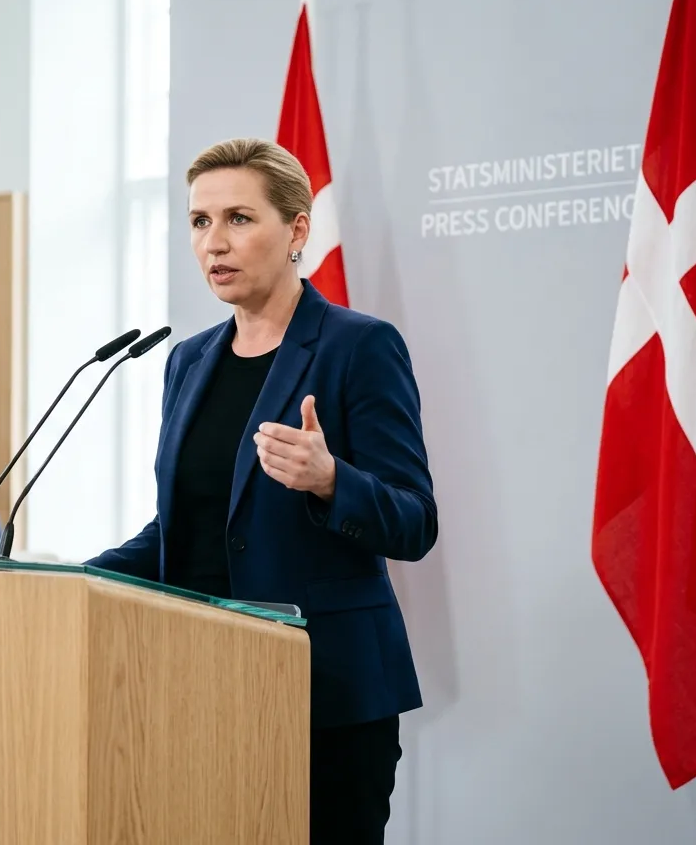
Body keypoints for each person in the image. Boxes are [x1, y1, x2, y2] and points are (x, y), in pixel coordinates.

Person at [85, 138, 438, 844]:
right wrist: (70, 583)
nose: (214, 242)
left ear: (297, 230)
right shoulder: (188, 361)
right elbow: (181, 528)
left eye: (239, 219)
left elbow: (413, 520)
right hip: (204, 687)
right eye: (199, 221)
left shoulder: (357, 347)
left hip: (326, 697)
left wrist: (331, 481)